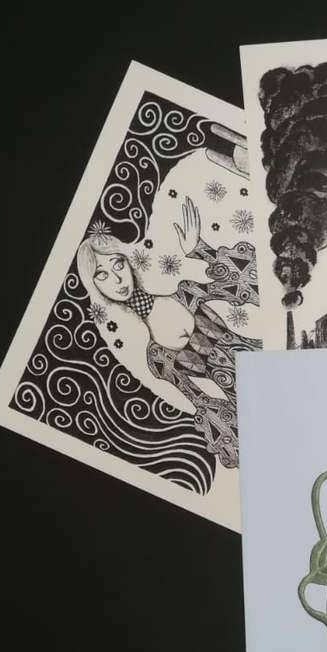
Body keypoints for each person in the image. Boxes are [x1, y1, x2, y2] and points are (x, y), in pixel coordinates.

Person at [76, 197, 260, 468]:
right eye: (101, 275)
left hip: (269, 357)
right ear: (96, 288)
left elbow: (252, 285)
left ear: (128, 262)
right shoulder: (158, 358)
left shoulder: (187, 292)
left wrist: (200, 249)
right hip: (249, 403)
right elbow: (205, 406)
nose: (116, 279)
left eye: (117, 264)